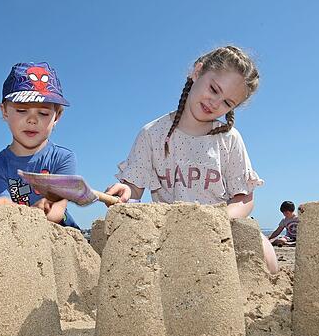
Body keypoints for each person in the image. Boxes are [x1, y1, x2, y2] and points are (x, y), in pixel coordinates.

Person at [105, 45, 278, 273]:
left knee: (266, 255)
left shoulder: (229, 139)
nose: (215, 103)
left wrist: (215, 220)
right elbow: (133, 188)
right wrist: (124, 191)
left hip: (220, 228)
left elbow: (244, 199)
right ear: (197, 72)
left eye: (227, 103)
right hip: (168, 231)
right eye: (214, 89)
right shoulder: (152, 133)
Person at [0, 62, 79, 229]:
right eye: (21, 110)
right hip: (16, 238)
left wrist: (46, 208)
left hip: (59, 238)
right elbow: (2, 206)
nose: (32, 120)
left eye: (43, 113)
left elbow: (57, 209)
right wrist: (33, 213)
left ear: (57, 117)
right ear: (4, 111)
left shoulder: (63, 159)